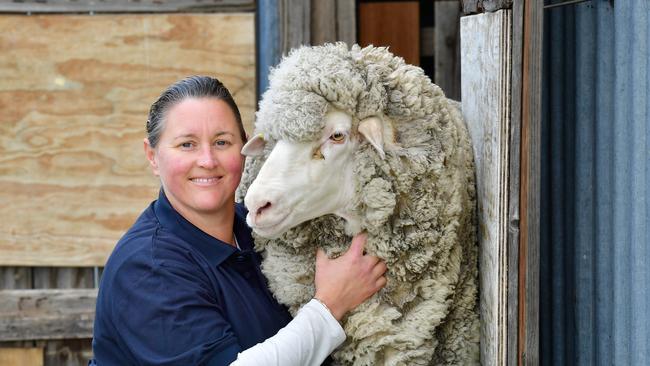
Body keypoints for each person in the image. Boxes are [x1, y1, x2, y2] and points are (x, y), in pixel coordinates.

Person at [90, 76, 387, 365]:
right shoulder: (147, 268)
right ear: (152, 156)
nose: (207, 160)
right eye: (186, 145)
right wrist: (330, 304)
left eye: (222, 142)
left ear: (245, 148)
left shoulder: (266, 231)